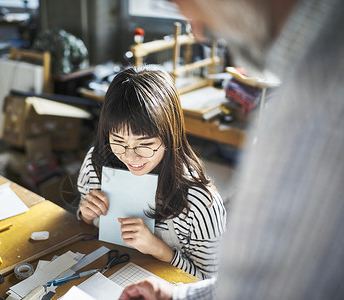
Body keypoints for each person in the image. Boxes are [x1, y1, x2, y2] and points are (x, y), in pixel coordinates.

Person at [119, 0, 344, 299]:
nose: (198, 33)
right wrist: (180, 297)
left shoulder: (322, 99)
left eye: (187, 4)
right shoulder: (306, 85)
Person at [77, 65, 226, 279]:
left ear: (169, 136)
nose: (129, 156)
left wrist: (161, 250)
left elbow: (211, 282)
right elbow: (84, 226)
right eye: (118, 142)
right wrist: (86, 215)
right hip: (107, 274)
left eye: (144, 145)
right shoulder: (96, 164)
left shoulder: (200, 200)